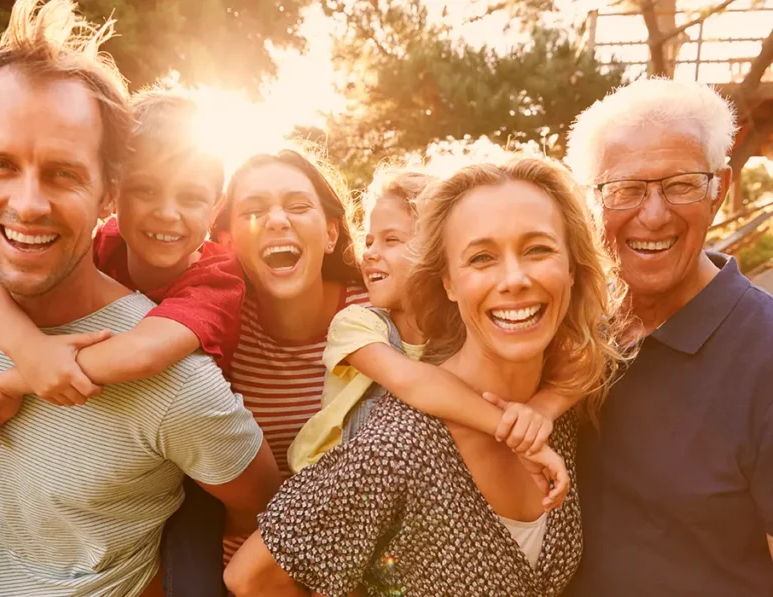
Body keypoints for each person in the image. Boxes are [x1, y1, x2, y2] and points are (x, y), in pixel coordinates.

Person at [0, 2, 280, 595]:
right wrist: (26, 350)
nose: (28, 205)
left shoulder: (177, 372)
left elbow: (261, 501)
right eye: (0, 164)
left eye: (62, 174)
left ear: (106, 191)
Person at [225, 156, 626, 597]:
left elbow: (600, 348)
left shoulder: (558, 407)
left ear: (572, 268)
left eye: (538, 249)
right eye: (481, 257)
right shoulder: (398, 447)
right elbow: (251, 577)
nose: (514, 279)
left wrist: (543, 410)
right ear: (447, 281)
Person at [0, 88, 242, 597]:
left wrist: (21, 377)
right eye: (146, 190)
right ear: (114, 192)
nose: (167, 213)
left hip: (194, 468)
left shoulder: (215, 278)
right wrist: (25, 345)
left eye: (190, 197)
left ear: (215, 208)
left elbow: (144, 352)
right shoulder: (103, 243)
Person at [563, 79, 773, 595]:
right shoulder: (566, 332)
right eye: (626, 189)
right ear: (592, 203)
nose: (653, 214)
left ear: (719, 190)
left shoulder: (765, 352)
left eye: (680, 185)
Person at [288, 166, 573, 481]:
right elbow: (413, 383)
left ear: (435, 252)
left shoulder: (469, 327)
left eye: (390, 240)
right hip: (332, 485)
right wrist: (515, 432)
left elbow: (588, 355)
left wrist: (541, 410)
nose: (369, 253)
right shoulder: (357, 323)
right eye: (368, 242)